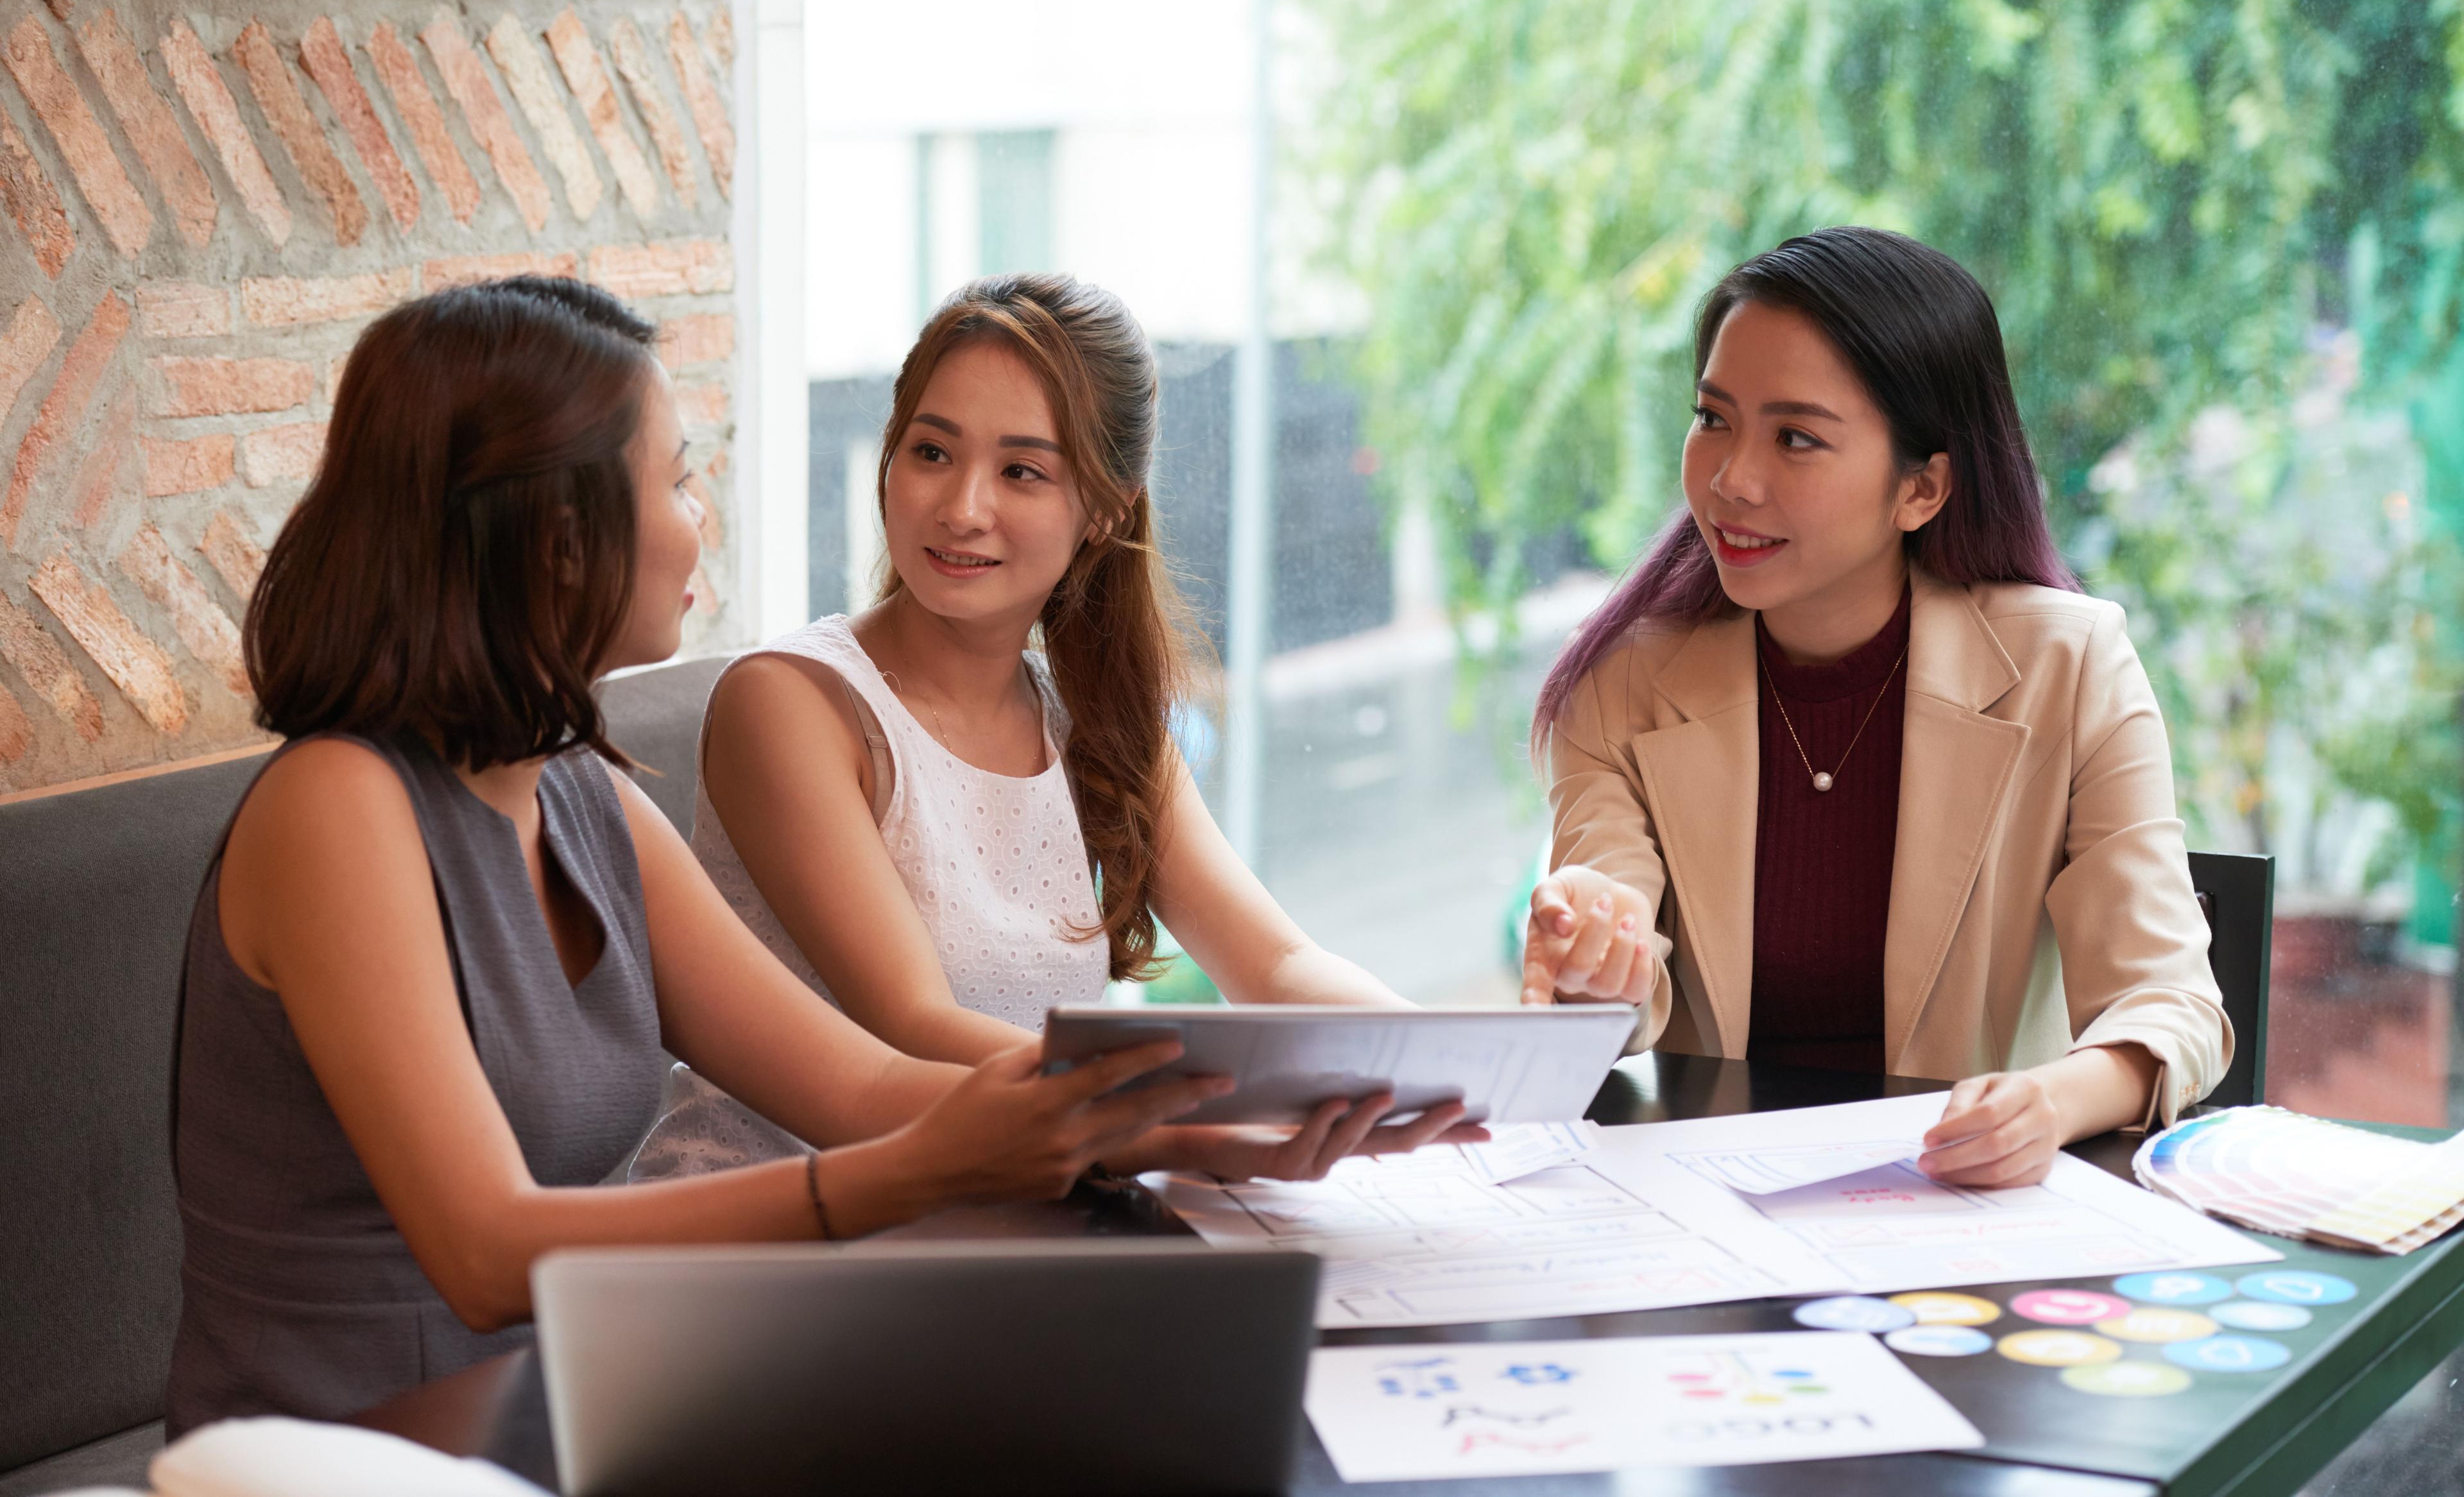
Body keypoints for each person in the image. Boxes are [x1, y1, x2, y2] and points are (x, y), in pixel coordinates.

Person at [166, 277, 1256, 1433]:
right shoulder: (336, 809)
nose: (703, 518)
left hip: (547, 1419)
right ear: (560, 536)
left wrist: (1196, 1126)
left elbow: (864, 1084)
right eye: (678, 478)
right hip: (350, 1454)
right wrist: (930, 1167)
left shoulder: (586, 800)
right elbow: (487, 1253)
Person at [635, 274, 1478, 1183]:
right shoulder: (791, 704)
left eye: (1022, 471)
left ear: (1105, 509)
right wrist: (1182, 1124)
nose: (962, 507)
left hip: (1009, 1209)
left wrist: (1451, 1075)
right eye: (930, 452)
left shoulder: (1098, 726)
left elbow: (1274, 962)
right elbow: (911, 1025)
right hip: (776, 1235)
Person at [1519, 227, 2230, 1187]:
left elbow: (2172, 1004)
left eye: (1796, 438)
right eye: (1713, 418)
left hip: (1957, 1209)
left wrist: (2051, 1101)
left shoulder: (2071, 664)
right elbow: (1617, 948)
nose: (1731, 478)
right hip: (1704, 1208)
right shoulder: (1618, 678)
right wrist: (1595, 955)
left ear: (1923, 486)